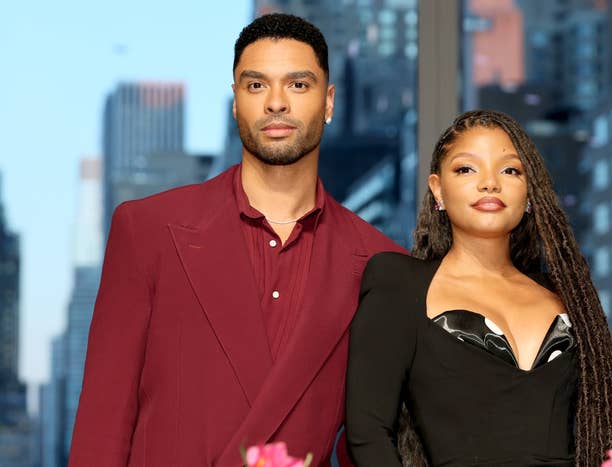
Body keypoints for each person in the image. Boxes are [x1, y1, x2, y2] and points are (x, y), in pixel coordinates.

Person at [69, 13, 403, 467]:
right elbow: (102, 427)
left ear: (328, 102)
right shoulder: (146, 231)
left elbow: (367, 442)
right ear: (235, 102)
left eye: (298, 84)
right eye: (256, 85)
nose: (276, 103)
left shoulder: (381, 265)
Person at [345, 110, 612, 466]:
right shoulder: (399, 283)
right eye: (467, 169)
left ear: (530, 192)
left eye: (510, 170)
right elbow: (368, 433)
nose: (489, 183)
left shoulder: (567, 296)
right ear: (438, 189)